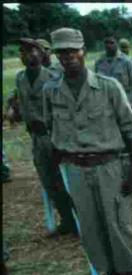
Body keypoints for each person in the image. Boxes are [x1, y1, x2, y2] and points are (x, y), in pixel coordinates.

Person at [43, 28, 132, 275]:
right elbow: (51, 132)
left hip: (108, 165)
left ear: (83, 50)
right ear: (55, 56)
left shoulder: (108, 86)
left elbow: (131, 130)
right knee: (90, 226)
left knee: (116, 224)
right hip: (75, 168)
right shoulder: (51, 91)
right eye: (62, 52)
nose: (68, 57)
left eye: (73, 50)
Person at [15, 37, 77, 237]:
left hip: (54, 136)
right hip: (35, 137)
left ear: (41, 54)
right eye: (23, 52)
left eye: (32, 51)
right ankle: (67, 221)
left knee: (66, 180)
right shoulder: (20, 78)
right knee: (48, 181)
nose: (28, 55)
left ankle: (81, 221)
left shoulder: (54, 77)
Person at [94, 36, 132, 103]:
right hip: (106, 102)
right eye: (106, 43)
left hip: (124, 101)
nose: (108, 45)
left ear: (117, 44)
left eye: (112, 43)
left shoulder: (126, 61)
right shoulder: (99, 62)